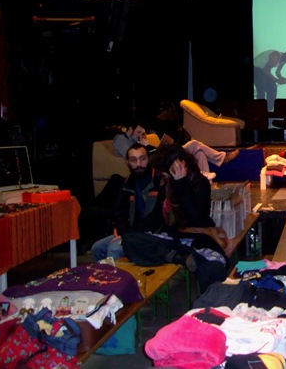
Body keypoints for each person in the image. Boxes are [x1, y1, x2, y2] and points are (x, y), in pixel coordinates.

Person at [122, 144, 229, 294]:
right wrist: (132, 232)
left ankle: (178, 256)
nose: (162, 175)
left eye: (164, 171)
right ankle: (177, 257)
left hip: (198, 237)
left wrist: (181, 184)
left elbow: (196, 218)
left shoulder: (199, 182)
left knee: (213, 268)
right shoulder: (166, 184)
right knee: (129, 240)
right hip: (174, 238)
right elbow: (156, 216)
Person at [91, 143, 164, 261]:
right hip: (130, 231)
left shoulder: (159, 181)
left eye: (142, 159)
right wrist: (123, 232)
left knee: (114, 249)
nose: (139, 164)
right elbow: (119, 211)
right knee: (97, 248)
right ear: (127, 162)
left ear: (149, 159)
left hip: (152, 232)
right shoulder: (128, 183)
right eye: (133, 160)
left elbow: (157, 217)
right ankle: (104, 273)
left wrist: (128, 236)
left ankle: (117, 274)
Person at [113, 121, 239, 177]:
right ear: (130, 129)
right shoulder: (120, 139)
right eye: (138, 132)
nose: (141, 135)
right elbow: (132, 156)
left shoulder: (136, 141)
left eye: (143, 133)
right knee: (194, 144)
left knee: (199, 153)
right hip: (160, 161)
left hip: (161, 156)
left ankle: (206, 184)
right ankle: (222, 158)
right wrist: (144, 145)